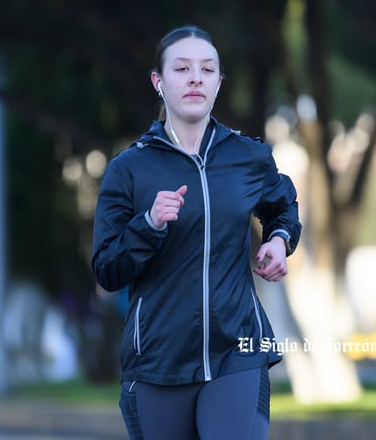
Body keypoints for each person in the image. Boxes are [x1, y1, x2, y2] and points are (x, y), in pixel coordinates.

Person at [92, 25, 301, 440]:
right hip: (157, 363)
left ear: (219, 84)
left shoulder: (248, 157)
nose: (195, 78)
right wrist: (148, 224)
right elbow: (107, 269)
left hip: (237, 353)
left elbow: (283, 208)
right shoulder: (129, 170)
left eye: (207, 70)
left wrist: (279, 242)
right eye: (182, 68)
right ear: (159, 82)